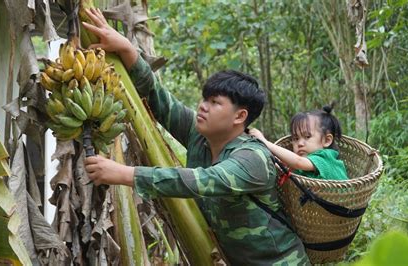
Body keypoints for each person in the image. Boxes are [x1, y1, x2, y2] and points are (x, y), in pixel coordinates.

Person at [82, 8, 309, 265]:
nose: (203, 106)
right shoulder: (200, 135)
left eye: (215, 102)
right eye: (204, 99)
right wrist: (127, 50)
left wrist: (125, 174)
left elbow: (202, 180)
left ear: (239, 116)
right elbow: (159, 99)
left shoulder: (253, 157)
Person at [250, 105, 349, 181]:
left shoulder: (325, 157)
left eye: (307, 137)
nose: (300, 143)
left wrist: (265, 142)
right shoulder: (308, 161)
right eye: (296, 138)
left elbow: (298, 162)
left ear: (326, 140)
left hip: (339, 206)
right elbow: (293, 164)